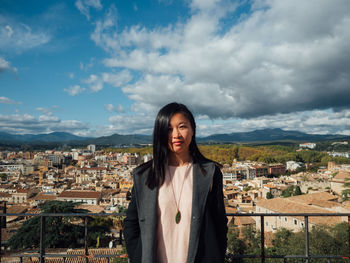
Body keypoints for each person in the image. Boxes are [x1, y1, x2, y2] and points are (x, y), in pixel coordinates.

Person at [123, 102, 228, 263]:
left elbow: (220, 224)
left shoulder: (210, 174)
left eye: (182, 127)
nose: (176, 134)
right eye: (169, 129)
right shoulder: (144, 175)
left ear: (193, 130)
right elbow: (131, 224)